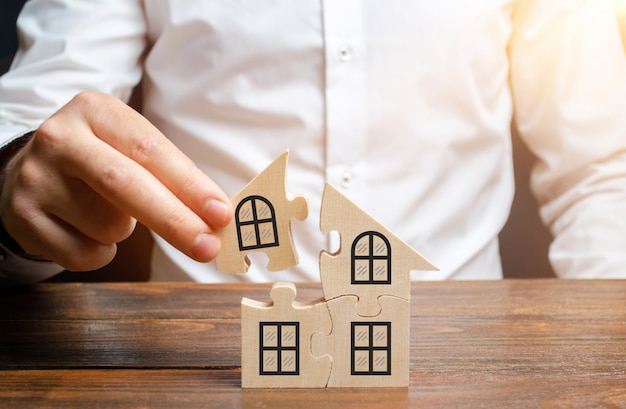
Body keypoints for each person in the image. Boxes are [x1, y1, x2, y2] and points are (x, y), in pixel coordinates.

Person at [1, 0, 626, 283]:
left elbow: (602, 173)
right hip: (205, 362)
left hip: (459, 359)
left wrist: (604, 360)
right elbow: (33, 125)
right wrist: (15, 192)